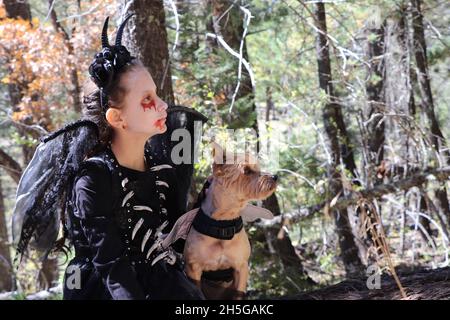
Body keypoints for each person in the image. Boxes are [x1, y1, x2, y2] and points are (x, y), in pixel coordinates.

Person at [12, 15, 206, 300]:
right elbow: (111, 267)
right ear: (117, 118)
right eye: (147, 100)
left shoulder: (163, 168)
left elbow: (177, 239)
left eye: (157, 95)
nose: (163, 105)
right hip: (101, 290)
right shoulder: (93, 181)